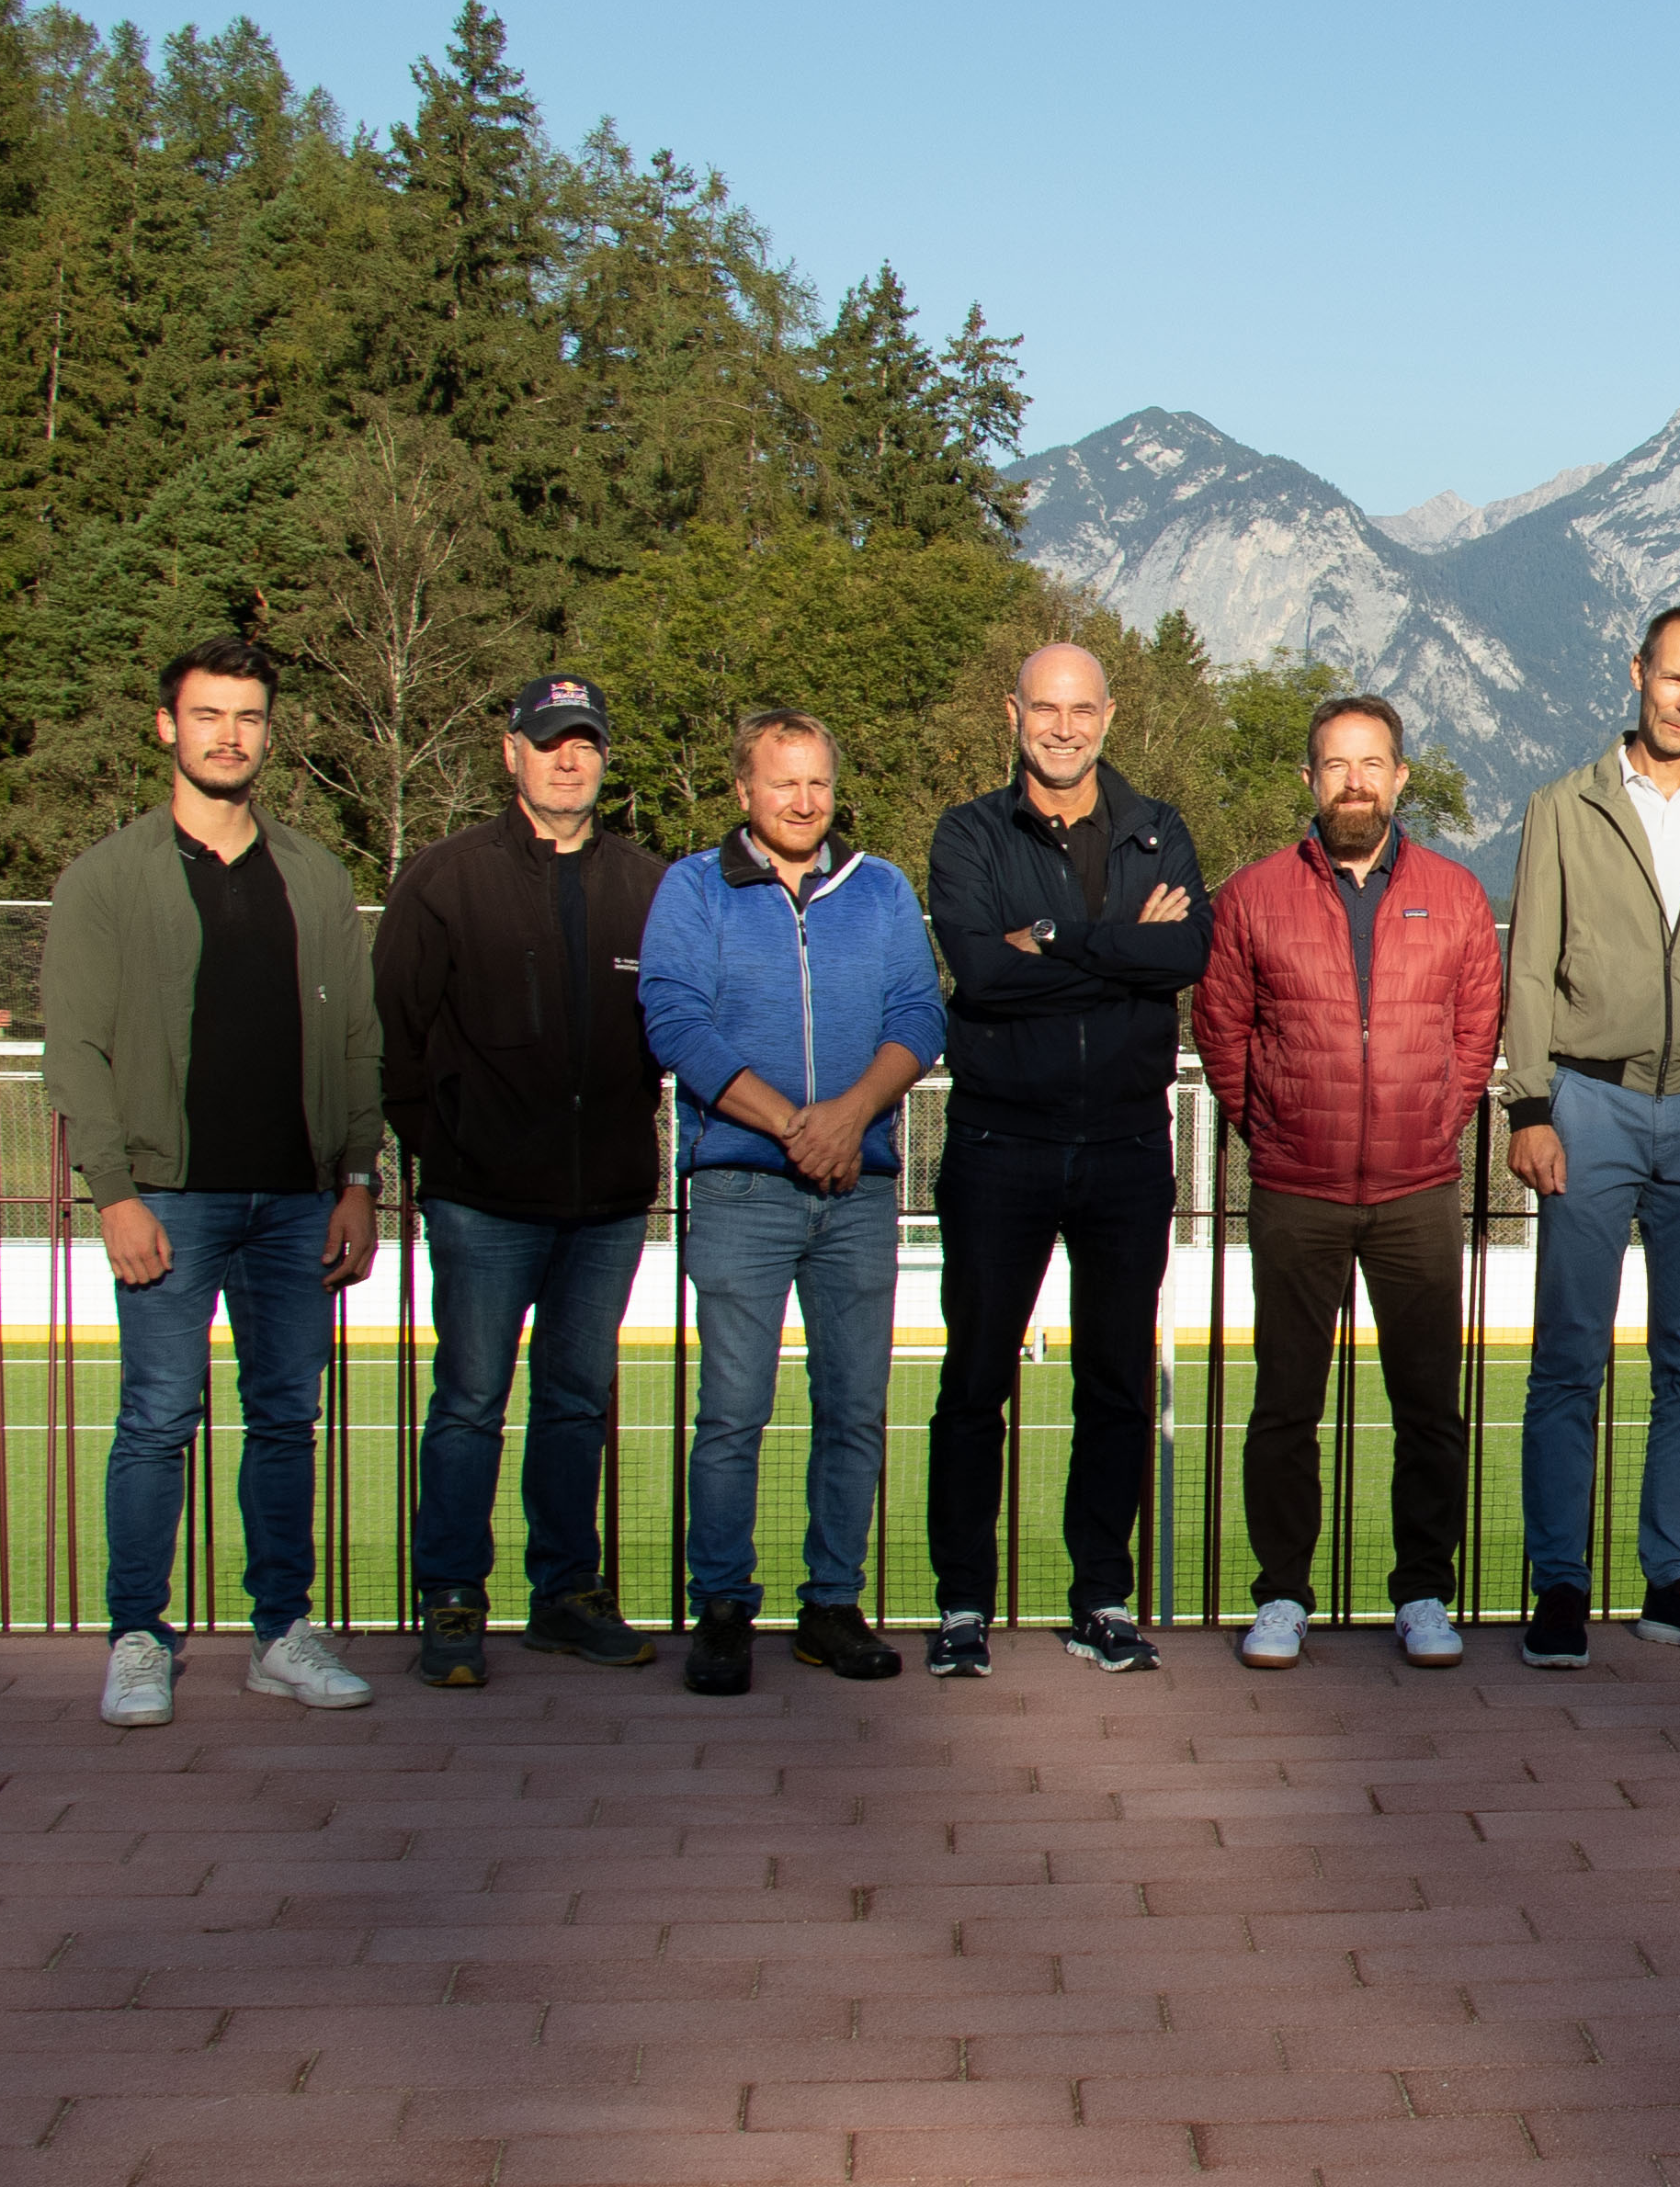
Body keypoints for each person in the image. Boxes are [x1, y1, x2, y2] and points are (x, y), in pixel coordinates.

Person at [51, 638, 388, 1726]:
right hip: (171, 1199)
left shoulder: (315, 872)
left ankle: (281, 1632)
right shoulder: (107, 878)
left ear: (267, 733)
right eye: (207, 715)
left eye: (246, 716)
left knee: (287, 1417)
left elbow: (354, 1038)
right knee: (157, 1416)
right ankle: (138, 1639)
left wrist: (355, 1175)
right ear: (168, 727)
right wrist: (114, 1191)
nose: (228, 734)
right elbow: (76, 1050)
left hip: (296, 1199)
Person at [1501, 607, 1680, 1668]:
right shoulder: (1562, 806)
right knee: (1567, 1358)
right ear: (1637, 674)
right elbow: (1528, 966)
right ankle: (1559, 1588)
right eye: (1672, 678)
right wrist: (1527, 1107)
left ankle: (1671, 1581)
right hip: (1588, 1100)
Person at [1192, 692, 1504, 1671]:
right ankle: (1281, 1592)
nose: (1355, 782)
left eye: (1372, 764)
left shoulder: (1454, 895)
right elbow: (1221, 1030)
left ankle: (1423, 1592)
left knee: (1428, 1407)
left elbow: (1474, 1034)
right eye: (1336, 765)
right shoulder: (1250, 897)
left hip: (1415, 1191)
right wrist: (1273, 1126)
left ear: (1400, 777)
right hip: (1297, 1188)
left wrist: (1428, 1122)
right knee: (1285, 1405)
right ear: (1309, 780)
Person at [640, 709, 945, 1696]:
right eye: (783, 783)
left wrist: (847, 1117)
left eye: (817, 782)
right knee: (732, 1411)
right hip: (739, 1185)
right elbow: (675, 1021)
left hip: (857, 1189)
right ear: (743, 791)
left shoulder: (882, 888)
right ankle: (723, 1607)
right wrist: (790, 1125)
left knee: (852, 1408)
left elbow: (918, 1016)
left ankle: (830, 1604)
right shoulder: (692, 888)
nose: (804, 802)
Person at [923, 642, 1214, 1678]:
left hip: (1127, 1148)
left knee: (1115, 1383)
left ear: (1109, 714)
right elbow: (981, 977)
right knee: (973, 1381)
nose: (1061, 726)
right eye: (1043, 707)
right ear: (1012, 713)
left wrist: (1050, 939)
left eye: (1079, 708)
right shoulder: (967, 832)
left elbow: (1181, 957)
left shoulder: (1156, 828)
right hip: (1001, 1145)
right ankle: (961, 1603)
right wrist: (1112, 949)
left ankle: (1101, 1594)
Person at [377, 672, 670, 1687]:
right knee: (468, 1399)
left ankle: (565, 1592)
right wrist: (445, 1154)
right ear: (511, 752)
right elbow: (396, 1040)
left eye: (584, 740)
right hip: (482, 1201)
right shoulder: (444, 879)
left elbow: (677, 1030)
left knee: (577, 1400)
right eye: (550, 741)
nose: (568, 758)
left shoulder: (649, 883)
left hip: (605, 1205)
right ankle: (452, 1598)